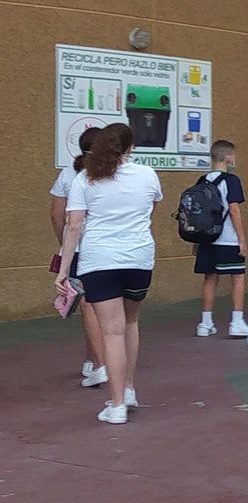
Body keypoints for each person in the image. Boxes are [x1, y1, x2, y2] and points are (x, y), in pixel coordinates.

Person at [55, 123, 164, 425]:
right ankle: (128, 390)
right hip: (139, 258)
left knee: (111, 331)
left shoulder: (84, 177)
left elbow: (74, 225)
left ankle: (116, 405)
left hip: (99, 260)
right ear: (131, 147)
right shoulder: (147, 174)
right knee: (131, 322)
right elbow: (149, 210)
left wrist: (64, 270)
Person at [50, 127, 106, 388]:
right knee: (101, 307)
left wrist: (66, 246)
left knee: (86, 306)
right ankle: (95, 360)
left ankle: (97, 362)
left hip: (78, 250)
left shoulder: (68, 174)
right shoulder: (110, 174)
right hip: (105, 248)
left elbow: (56, 215)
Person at [194, 140, 248, 338]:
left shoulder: (202, 180)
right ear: (228, 158)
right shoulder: (232, 180)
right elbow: (234, 209)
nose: (235, 160)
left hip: (207, 239)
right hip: (227, 239)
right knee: (238, 277)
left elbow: (197, 212)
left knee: (210, 278)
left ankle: (205, 323)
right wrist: (242, 239)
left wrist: (196, 241)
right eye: (233, 156)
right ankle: (237, 321)